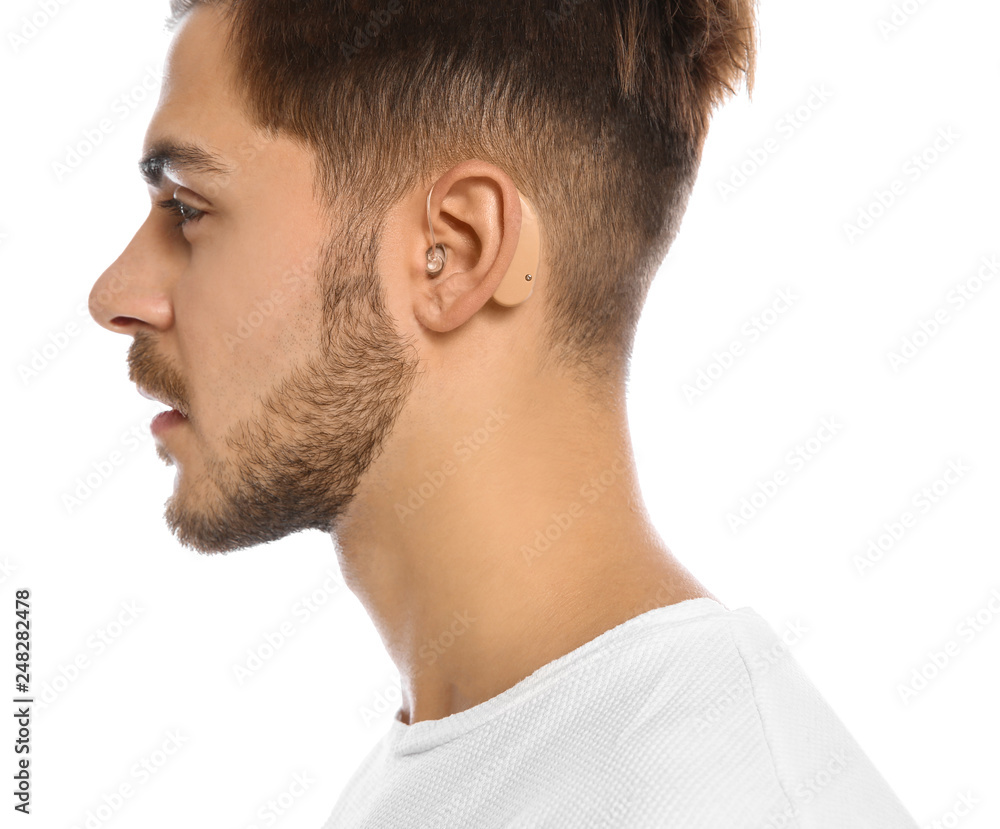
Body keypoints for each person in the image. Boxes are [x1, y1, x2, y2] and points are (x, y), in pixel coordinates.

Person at [88, 1, 920, 825]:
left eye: (188, 209)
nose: (113, 295)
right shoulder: (440, 768)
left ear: (457, 251)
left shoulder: (727, 802)